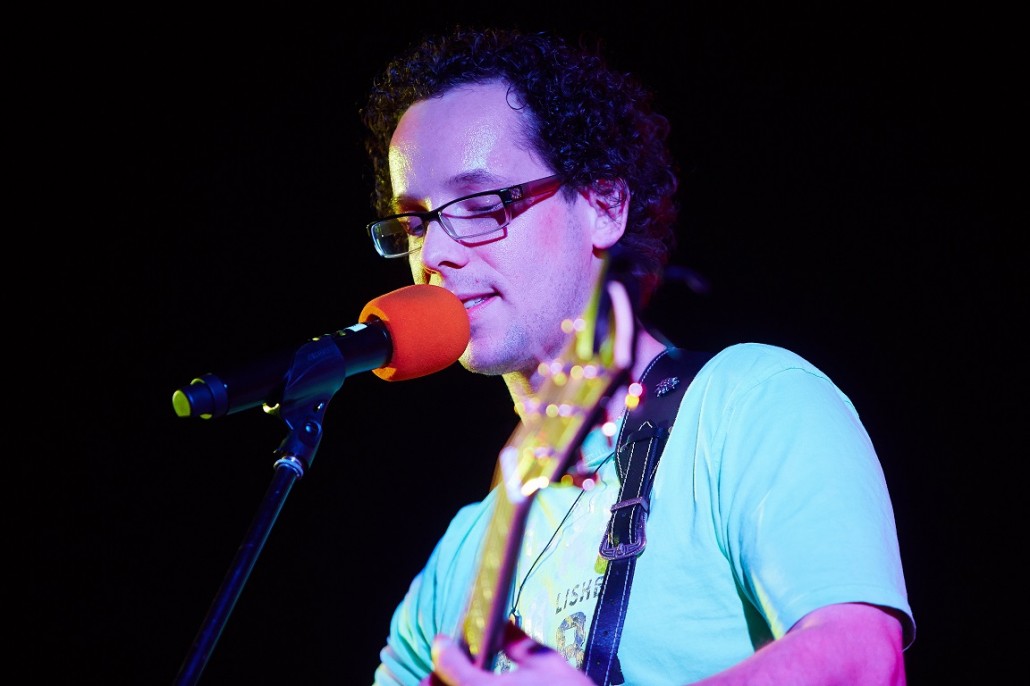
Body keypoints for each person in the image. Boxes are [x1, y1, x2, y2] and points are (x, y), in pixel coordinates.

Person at [360, 25, 915, 686]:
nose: (434, 253)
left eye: (481, 205)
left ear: (605, 204)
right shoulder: (459, 561)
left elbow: (862, 660)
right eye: (414, 222)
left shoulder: (750, 402)